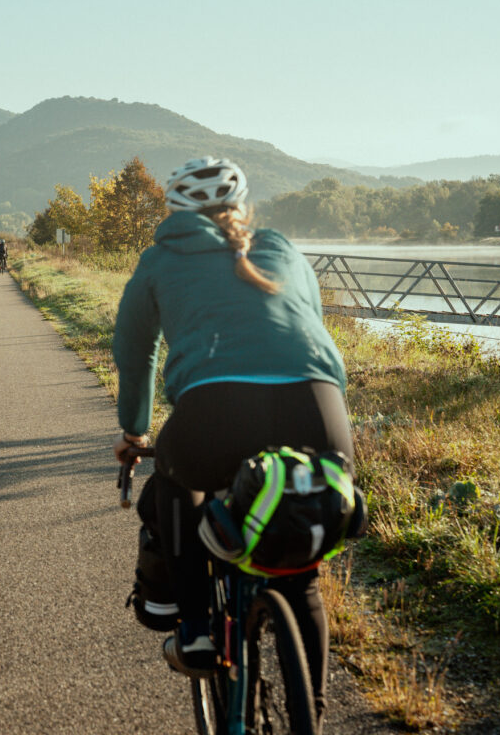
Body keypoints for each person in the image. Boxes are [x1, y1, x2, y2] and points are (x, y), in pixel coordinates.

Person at [111, 156, 351, 727]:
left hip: (214, 412)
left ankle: (196, 630)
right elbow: (308, 327)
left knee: (175, 483)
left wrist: (135, 429)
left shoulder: (159, 259)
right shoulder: (283, 249)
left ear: (175, 212)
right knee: (300, 574)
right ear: (241, 208)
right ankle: (309, 718)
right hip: (318, 410)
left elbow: (135, 352)